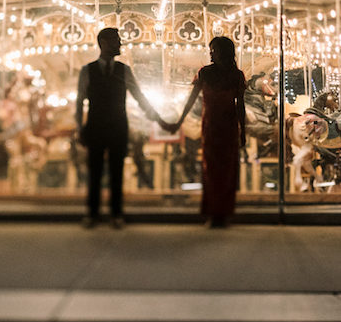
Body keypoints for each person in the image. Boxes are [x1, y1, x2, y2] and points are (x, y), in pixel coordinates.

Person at [76, 27, 167, 229]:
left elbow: (140, 97)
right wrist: (78, 128)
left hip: (117, 125)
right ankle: (93, 213)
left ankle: (115, 213)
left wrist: (158, 120)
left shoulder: (124, 70)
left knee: (116, 170)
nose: (120, 44)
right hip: (97, 125)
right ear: (104, 43)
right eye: (116, 40)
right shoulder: (87, 70)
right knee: (95, 171)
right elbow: (80, 100)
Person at [165, 36, 246, 228]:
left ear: (224, 52)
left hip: (226, 125)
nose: (211, 53)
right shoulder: (205, 73)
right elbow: (191, 100)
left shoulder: (235, 75)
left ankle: (222, 212)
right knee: (212, 169)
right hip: (211, 126)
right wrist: (179, 121)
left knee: (226, 169)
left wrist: (243, 130)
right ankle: (213, 212)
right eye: (211, 49)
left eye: (214, 49)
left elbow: (240, 105)